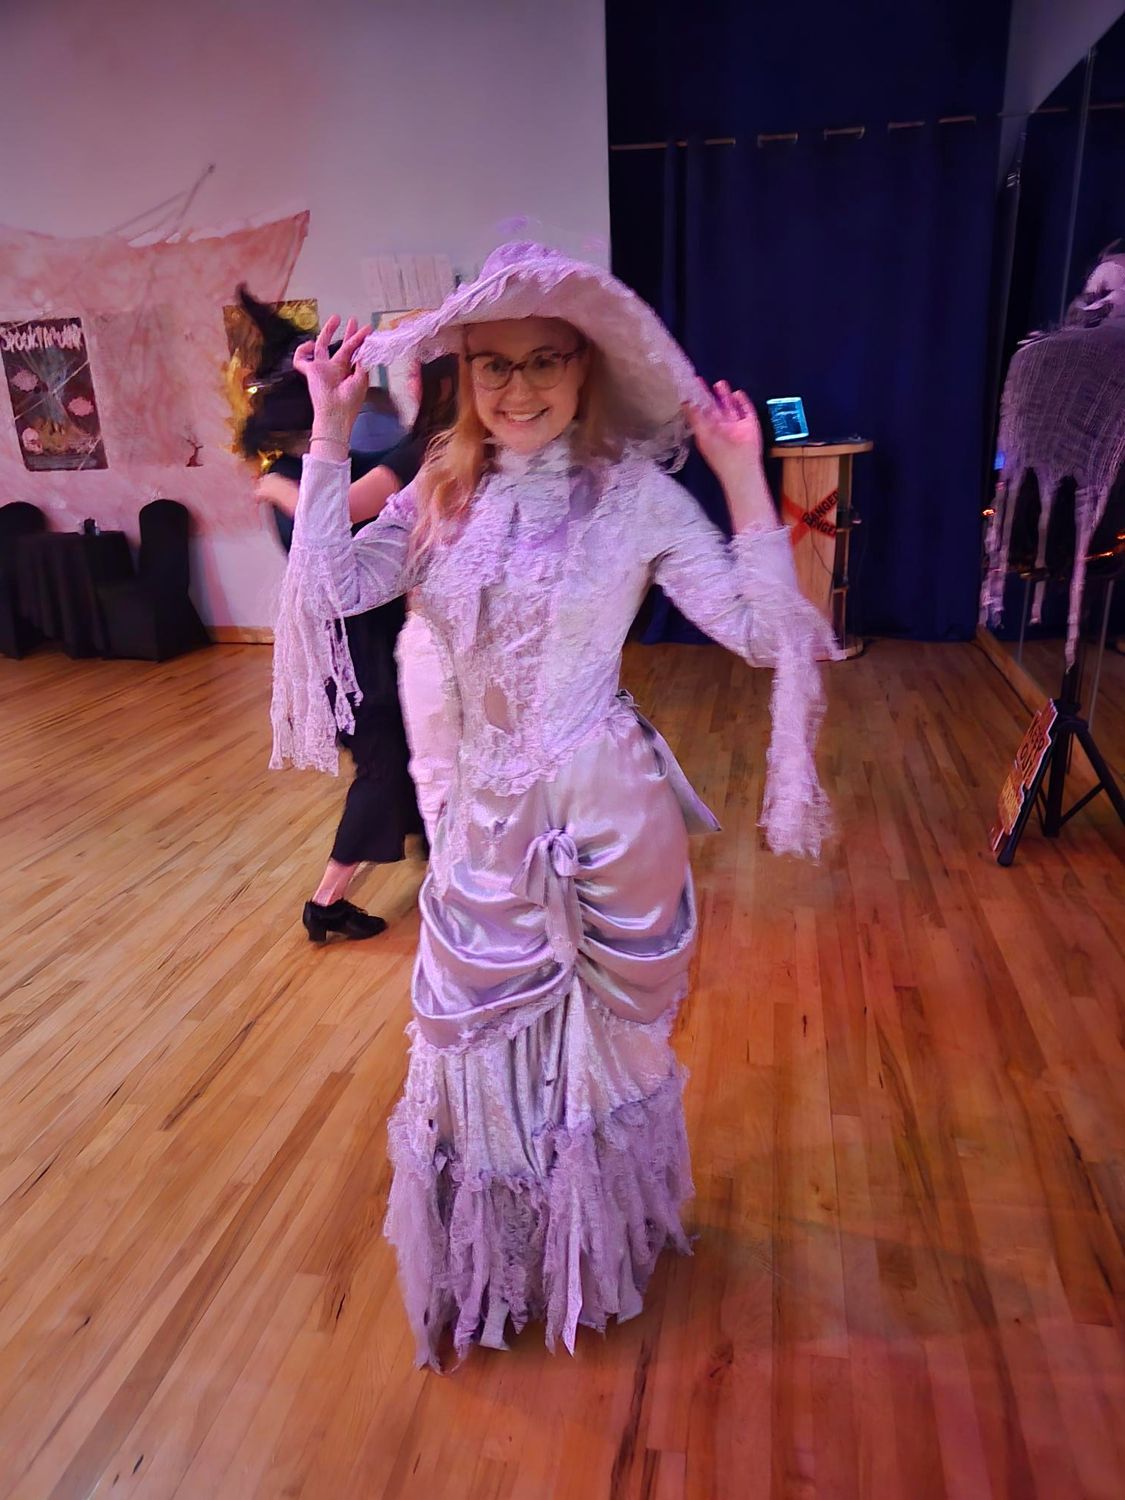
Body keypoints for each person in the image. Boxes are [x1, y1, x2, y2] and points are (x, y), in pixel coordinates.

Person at [271, 242, 836, 1367]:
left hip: (606, 814)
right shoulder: (438, 493)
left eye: (545, 360)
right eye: (493, 365)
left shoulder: (636, 498)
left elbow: (764, 635)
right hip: (483, 823)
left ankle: (596, 1247)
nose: (518, 388)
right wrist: (328, 434)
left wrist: (740, 477)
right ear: (464, 376)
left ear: (586, 368)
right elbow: (329, 587)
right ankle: (516, 1261)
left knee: (604, 1049)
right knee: (470, 1037)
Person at [256, 353, 459, 936]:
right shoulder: (412, 454)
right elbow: (335, 541)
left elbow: (345, 511)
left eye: (417, 368)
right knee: (387, 763)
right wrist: (298, 468)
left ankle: (437, 857)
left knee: (406, 761)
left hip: (376, 637)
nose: (407, 378)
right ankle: (328, 900)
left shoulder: (418, 452)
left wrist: (278, 485)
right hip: (363, 640)